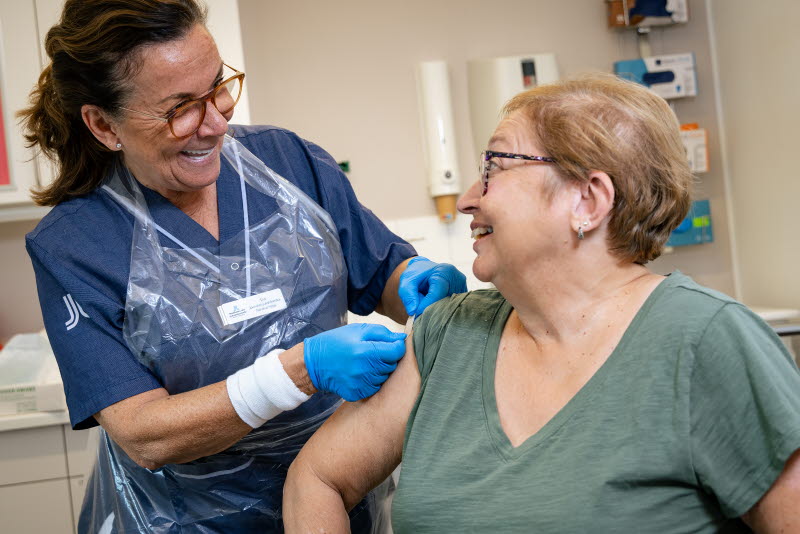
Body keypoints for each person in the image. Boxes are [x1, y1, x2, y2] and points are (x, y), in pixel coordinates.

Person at [283, 73, 800, 533]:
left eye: (495, 168)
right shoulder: (448, 335)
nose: (467, 198)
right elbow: (317, 479)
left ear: (587, 201)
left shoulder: (707, 341)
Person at [19, 0, 466, 532]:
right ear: (103, 124)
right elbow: (145, 434)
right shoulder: (77, 244)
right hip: (182, 521)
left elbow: (384, 271)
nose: (216, 122)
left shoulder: (288, 163)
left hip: (334, 503)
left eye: (218, 85)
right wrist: (301, 371)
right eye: (180, 107)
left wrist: (414, 279)